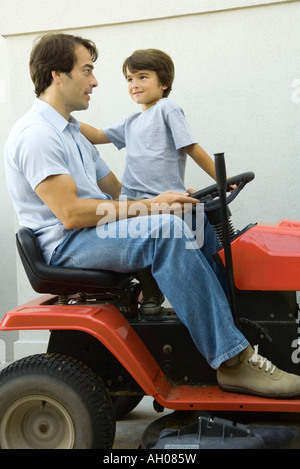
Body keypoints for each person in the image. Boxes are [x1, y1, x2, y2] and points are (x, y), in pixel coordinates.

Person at [5, 33, 300, 399]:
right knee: (167, 231)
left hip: (91, 231)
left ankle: (239, 327)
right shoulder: (37, 134)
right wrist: (154, 207)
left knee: (194, 222)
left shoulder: (73, 136)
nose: (95, 81)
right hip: (67, 243)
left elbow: (115, 193)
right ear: (56, 75)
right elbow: (71, 214)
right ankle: (233, 360)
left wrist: (171, 200)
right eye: (87, 71)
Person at [79, 48, 221, 313]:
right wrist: (65, 118)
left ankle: (217, 293)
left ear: (163, 82)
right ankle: (151, 290)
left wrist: (222, 180)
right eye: (129, 79)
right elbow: (98, 134)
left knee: (202, 235)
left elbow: (192, 147)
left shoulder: (167, 109)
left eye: (142, 77)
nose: (134, 84)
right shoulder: (131, 122)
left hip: (167, 201)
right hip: (135, 201)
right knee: (133, 240)